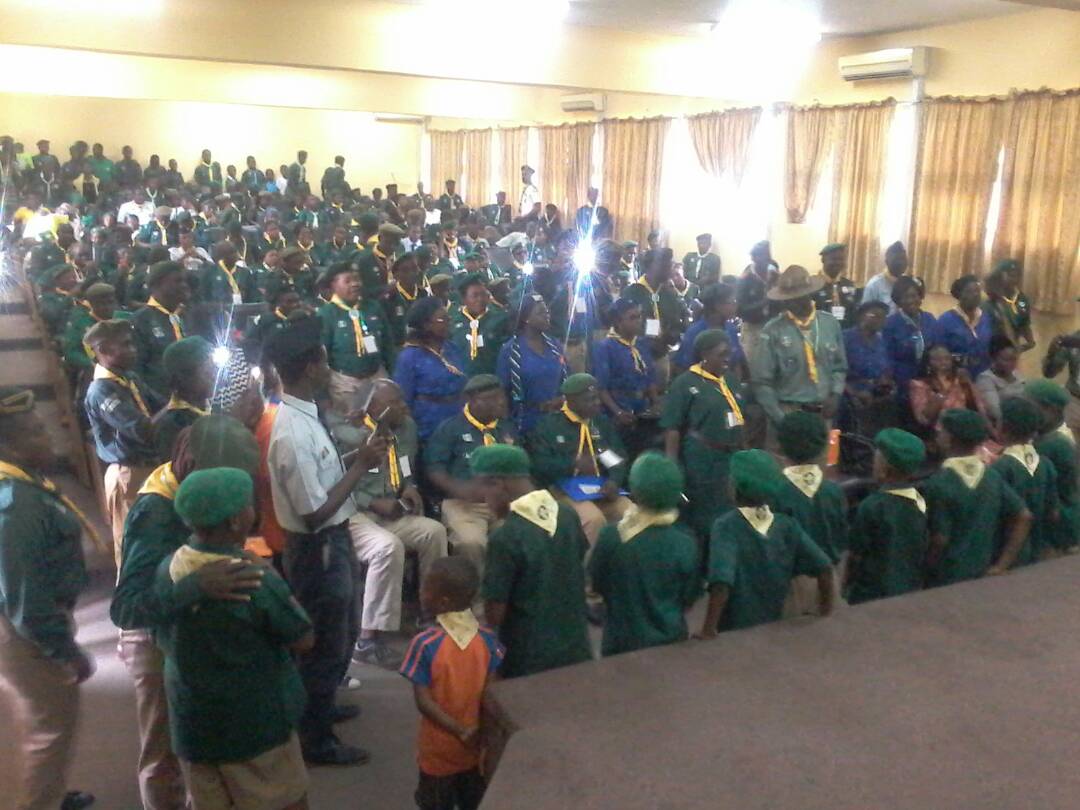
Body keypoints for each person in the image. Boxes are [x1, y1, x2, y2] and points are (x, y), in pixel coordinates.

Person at [112, 416, 264, 810]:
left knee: (197, 747)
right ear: (192, 464)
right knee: (162, 751)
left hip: (185, 631)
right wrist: (196, 586)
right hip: (152, 639)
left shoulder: (187, 488)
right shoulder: (157, 512)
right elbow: (126, 608)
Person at [265, 315, 387, 766]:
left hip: (334, 539)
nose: (331, 368)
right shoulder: (291, 432)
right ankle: (316, 739)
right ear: (311, 367)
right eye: (325, 360)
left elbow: (322, 477)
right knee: (323, 643)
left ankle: (324, 705)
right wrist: (361, 467)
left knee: (343, 630)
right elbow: (313, 512)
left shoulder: (306, 414)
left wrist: (357, 457)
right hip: (317, 548)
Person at [156, 467, 313, 810]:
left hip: (194, 726)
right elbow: (303, 639)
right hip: (253, 728)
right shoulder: (251, 578)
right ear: (236, 521)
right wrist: (273, 577)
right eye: (248, 504)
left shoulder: (168, 568)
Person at [0, 386, 96, 810]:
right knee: (49, 731)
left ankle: (50, 795)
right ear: (9, 446)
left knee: (36, 722)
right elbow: (26, 599)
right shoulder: (15, 504)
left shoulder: (23, 484)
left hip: (27, 622)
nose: (49, 438)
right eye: (36, 431)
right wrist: (65, 651)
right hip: (28, 632)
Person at [337, 380, 448, 669]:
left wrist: (409, 487)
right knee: (388, 547)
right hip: (355, 513)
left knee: (434, 532)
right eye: (395, 402)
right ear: (374, 407)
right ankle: (368, 640)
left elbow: (405, 463)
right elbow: (333, 481)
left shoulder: (406, 427)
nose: (404, 407)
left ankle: (429, 614)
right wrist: (372, 502)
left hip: (392, 510)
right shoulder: (349, 433)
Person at [473, 445, 591, 678]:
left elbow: (495, 613)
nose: (484, 500)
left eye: (484, 491)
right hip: (576, 648)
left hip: (528, 659)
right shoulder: (567, 515)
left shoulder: (506, 536)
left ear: (498, 484)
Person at [399, 557, 504, 810]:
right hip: (475, 749)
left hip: (438, 752)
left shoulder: (425, 644)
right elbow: (492, 696)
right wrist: (482, 735)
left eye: (425, 587)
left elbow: (423, 702)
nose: (421, 592)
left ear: (443, 602)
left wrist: (458, 729)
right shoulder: (488, 641)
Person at [697, 450, 834, 637]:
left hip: (734, 630)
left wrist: (708, 629)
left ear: (735, 486)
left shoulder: (726, 526)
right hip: (774, 625)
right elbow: (824, 567)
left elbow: (721, 583)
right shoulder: (786, 525)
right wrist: (825, 612)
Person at [588, 453, 700, 657]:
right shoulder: (686, 541)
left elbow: (597, 582)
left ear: (635, 491)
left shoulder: (612, 536)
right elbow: (689, 597)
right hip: (671, 642)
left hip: (621, 644)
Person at [84, 319, 163, 563]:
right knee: (133, 546)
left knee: (156, 541)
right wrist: (175, 408)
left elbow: (162, 405)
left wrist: (174, 407)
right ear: (103, 350)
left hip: (150, 468)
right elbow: (141, 428)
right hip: (129, 473)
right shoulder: (101, 390)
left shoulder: (130, 378)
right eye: (126, 345)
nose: (134, 350)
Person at [923, 409, 1030, 585]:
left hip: (947, 578)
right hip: (983, 574)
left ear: (949, 438)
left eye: (941, 431)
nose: (938, 436)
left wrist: (925, 570)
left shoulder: (939, 482)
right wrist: (1002, 565)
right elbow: (1023, 515)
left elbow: (940, 539)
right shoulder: (991, 476)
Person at [425, 375, 517, 578]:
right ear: (471, 400)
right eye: (491, 398)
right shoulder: (450, 429)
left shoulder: (506, 428)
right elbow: (434, 469)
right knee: (472, 543)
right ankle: (474, 595)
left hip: (503, 504)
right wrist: (459, 489)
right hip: (464, 505)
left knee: (518, 537)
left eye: (501, 396)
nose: (500, 402)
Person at [662, 328, 745, 544]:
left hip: (731, 455)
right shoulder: (685, 383)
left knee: (729, 508)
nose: (727, 358)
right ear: (705, 354)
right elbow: (673, 426)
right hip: (702, 457)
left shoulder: (730, 380)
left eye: (729, 353)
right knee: (703, 514)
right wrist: (672, 465)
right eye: (722, 354)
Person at [750, 265, 847, 449]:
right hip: (787, 412)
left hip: (822, 414)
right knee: (783, 464)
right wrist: (781, 419)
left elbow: (839, 367)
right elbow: (761, 382)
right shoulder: (773, 330)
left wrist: (835, 394)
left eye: (796, 298)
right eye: (786, 299)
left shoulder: (829, 324)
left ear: (809, 294)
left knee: (818, 464)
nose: (791, 303)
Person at [527, 373, 631, 545]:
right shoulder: (549, 426)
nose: (597, 403)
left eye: (596, 398)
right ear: (571, 400)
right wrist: (573, 464)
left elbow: (616, 459)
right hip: (564, 490)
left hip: (602, 488)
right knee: (593, 520)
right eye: (589, 399)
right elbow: (540, 466)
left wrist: (614, 481)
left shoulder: (600, 423)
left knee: (631, 513)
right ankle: (591, 562)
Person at [773, 411, 849, 615]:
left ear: (780, 446)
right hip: (831, 580)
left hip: (790, 586)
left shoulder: (777, 492)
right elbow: (842, 540)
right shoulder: (834, 491)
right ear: (822, 446)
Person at [846, 428, 929, 604]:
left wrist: (846, 584)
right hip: (910, 588)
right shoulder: (920, 502)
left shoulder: (871, 506)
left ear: (885, 468)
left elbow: (856, 555)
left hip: (872, 592)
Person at [992, 397, 1060, 566]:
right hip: (1040, 552)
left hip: (1008, 554)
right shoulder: (1045, 464)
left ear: (1003, 428)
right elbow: (1054, 513)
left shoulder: (1000, 467)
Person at [319, 262, 394, 414]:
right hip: (345, 381)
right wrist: (323, 394)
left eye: (357, 279)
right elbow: (322, 356)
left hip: (376, 375)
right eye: (347, 281)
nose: (355, 284)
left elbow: (388, 344)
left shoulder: (372, 307)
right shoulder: (327, 313)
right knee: (353, 423)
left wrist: (392, 373)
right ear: (333, 285)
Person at [394, 297, 468, 443]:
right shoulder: (409, 356)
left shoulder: (452, 348)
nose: (448, 322)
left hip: (459, 420)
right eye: (442, 319)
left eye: (448, 318)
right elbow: (404, 400)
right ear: (426, 324)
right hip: (429, 426)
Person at [591, 298, 659, 457]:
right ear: (618, 321)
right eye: (632, 317)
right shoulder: (605, 347)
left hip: (643, 411)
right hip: (618, 413)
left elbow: (649, 376)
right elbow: (601, 387)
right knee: (621, 454)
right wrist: (618, 412)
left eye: (639, 316)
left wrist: (655, 402)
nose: (638, 321)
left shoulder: (641, 344)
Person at [838, 301, 896, 465]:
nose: (880, 320)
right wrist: (854, 393)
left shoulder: (881, 340)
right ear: (861, 316)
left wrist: (887, 382)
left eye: (883, 317)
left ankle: (878, 458)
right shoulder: (846, 338)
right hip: (848, 391)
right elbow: (836, 371)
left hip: (876, 392)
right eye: (874, 315)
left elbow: (886, 368)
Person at [1027, 380, 1080, 555]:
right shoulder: (1050, 437)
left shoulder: (1055, 444)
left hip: (1061, 521)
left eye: (1029, 406)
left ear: (1050, 409)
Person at [621, 247, 682, 388]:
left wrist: (669, 336)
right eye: (666, 266)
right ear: (652, 266)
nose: (670, 270)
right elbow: (623, 326)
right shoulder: (632, 292)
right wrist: (645, 341)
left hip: (661, 355)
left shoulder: (669, 293)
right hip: (636, 356)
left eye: (670, 265)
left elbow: (675, 322)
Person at [132, 261, 190, 400]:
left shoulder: (185, 315)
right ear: (157, 285)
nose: (184, 285)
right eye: (178, 281)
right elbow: (137, 370)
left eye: (184, 281)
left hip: (189, 396)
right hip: (160, 400)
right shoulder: (141, 320)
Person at [152, 336, 214, 461]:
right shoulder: (171, 426)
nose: (214, 376)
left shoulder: (214, 407)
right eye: (207, 372)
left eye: (214, 368)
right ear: (183, 379)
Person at [909, 344, 988, 441]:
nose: (943, 362)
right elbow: (923, 420)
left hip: (967, 428)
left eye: (947, 358)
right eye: (937, 359)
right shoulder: (919, 385)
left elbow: (980, 406)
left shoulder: (961, 379)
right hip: (940, 433)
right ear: (928, 363)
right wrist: (941, 394)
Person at [882, 275, 937, 404]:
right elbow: (887, 358)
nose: (911, 300)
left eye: (914, 296)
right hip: (902, 386)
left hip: (929, 383)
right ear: (898, 300)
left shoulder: (930, 319)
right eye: (906, 297)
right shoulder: (890, 324)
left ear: (920, 297)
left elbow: (938, 348)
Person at [670, 282, 744, 378]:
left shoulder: (730, 329)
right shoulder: (695, 332)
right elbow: (683, 368)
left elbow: (737, 363)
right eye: (732, 302)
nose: (736, 305)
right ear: (717, 305)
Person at [62, 282, 131, 375]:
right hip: (95, 370)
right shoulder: (81, 323)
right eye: (102, 304)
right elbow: (71, 352)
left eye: (111, 302)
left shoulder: (125, 318)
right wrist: (92, 364)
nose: (107, 307)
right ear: (91, 304)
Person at [449, 273, 508, 377]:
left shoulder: (500, 319)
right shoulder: (453, 321)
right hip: (462, 379)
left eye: (483, 294)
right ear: (464, 299)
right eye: (475, 296)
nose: (480, 299)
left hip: (492, 378)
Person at [936, 274, 993, 377]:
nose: (975, 295)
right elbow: (939, 353)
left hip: (985, 377)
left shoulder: (986, 318)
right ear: (959, 295)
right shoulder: (945, 320)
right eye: (969, 291)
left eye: (977, 291)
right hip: (955, 377)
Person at [983, 259, 1035, 353]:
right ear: (999, 276)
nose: (1014, 280)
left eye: (1017, 276)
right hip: (989, 348)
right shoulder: (988, 300)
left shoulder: (1022, 299)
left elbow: (1024, 323)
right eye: (1010, 275)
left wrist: (1030, 342)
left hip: (1011, 350)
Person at [976, 336, 1026, 428]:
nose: (1012, 363)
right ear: (993, 359)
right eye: (1006, 360)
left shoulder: (1016, 374)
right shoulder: (985, 379)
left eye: (1014, 359)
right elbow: (995, 411)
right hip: (1003, 426)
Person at [812, 243, 858, 329]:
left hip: (844, 332)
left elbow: (853, 313)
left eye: (841, 259)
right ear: (823, 260)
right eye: (834, 259)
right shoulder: (812, 285)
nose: (838, 263)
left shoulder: (849, 284)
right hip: (820, 332)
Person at [861, 241, 909, 314]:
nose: (901, 263)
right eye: (897, 259)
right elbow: (865, 314)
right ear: (886, 262)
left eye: (903, 259)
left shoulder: (908, 283)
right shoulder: (874, 285)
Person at [37, 263, 79, 338]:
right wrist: (70, 297)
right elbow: (52, 315)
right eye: (68, 278)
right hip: (64, 335)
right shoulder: (48, 298)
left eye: (74, 277)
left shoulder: (79, 293)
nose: (73, 280)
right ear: (57, 282)